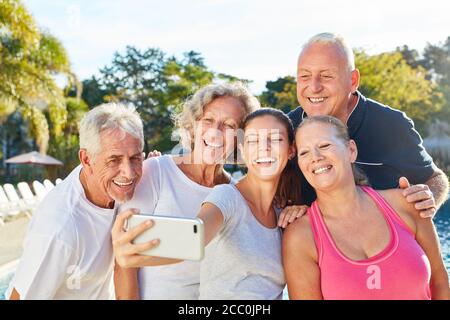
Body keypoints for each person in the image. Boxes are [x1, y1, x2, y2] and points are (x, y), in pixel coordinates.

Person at [113, 108, 298, 299]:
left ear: (291, 150)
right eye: (252, 140)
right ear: (242, 149)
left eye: (275, 139)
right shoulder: (227, 196)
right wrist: (132, 251)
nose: (264, 148)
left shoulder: (284, 213)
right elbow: (195, 237)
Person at [283, 115, 449, 300]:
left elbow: (440, 283)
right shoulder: (300, 236)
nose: (315, 157)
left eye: (324, 146)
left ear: (351, 150)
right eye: (304, 153)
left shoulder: (406, 203)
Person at [288, 32, 448, 215]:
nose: (314, 87)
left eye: (326, 76)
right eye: (305, 76)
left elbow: (435, 178)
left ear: (353, 80)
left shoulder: (391, 125)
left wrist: (429, 198)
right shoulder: (287, 128)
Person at [7, 103, 145, 299]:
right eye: (113, 160)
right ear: (86, 160)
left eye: (135, 158)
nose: (129, 173)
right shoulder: (59, 230)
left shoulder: (111, 184)